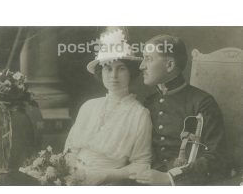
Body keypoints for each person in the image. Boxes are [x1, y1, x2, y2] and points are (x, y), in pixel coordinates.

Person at [130, 34, 230, 185]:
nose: (141, 66)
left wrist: (170, 177)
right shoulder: (149, 102)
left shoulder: (202, 102)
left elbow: (217, 157)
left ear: (169, 65)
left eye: (148, 59)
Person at [64, 39, 152, 185]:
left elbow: (142, 164)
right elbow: (69, 151)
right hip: (71, 178)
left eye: (121, 68)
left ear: (131, 72)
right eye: (108, 68)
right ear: (101, 72)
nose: (114, 75)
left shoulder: (139, 114)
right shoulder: (88, 106)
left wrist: (103, 176)